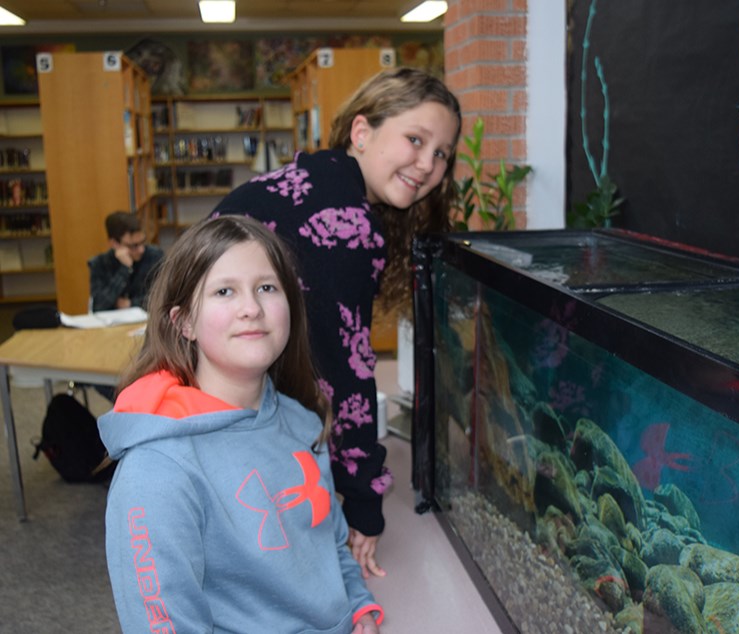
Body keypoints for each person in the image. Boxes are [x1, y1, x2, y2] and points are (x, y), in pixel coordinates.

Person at [212, 67, 462, 577]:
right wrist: (364, 506)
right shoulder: (345, 221)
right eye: (415, 139)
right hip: (223, 426)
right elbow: (346, 372)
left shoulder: (317, 178)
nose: (428, 164)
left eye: (441, 153)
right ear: (362, 132)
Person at [99, 215, 383, 633]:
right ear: (184, 323)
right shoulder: (157, 471)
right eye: (224, 291)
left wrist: (358, 607)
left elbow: (328, 543)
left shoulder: (301, 421)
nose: (251, 308)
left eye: (266, 288)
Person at [88, 210, 163, 311]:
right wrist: (124, 269)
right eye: (134, 246)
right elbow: (98, 307)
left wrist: (130, 303)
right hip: (113, 326)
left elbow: (164, 299)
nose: (141, 249)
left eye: (143, 242)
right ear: (114, 243)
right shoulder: (99, 264)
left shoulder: (155, 256)